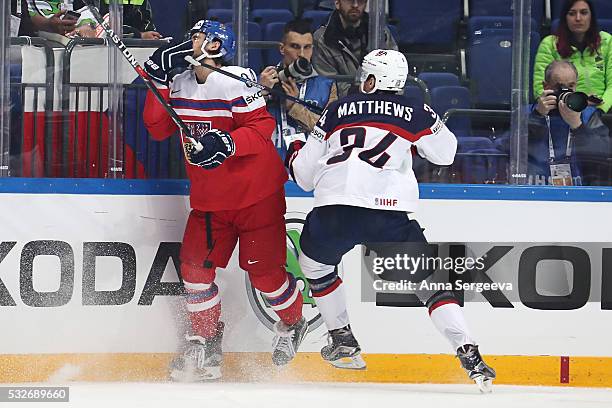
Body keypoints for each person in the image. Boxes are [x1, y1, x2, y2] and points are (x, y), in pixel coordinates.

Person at [285, 49, 496, 392]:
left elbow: (305, 177)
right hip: (388, 213)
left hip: (335, 209)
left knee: (315, 265)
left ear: (370, 79)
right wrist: (428, 124)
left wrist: (294, 148)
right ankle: (468, 352)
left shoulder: (336, 110)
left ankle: (342, 338)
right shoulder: (415, 110)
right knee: (431, 284)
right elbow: (445, 154)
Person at [142, 20, 307, 381]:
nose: (190, 41)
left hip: (256, 196)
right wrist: (156, 79)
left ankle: (293, 322)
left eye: (198, 37)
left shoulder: (235, 79)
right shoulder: (180, 83)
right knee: (195, 270)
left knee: (265, 276)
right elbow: (156, 128)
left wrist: (227, 143)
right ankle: (206, 336)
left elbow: (262, 129)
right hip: (209, 199)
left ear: (215, 46)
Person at [259, 19, 337, 150]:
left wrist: (295, 107)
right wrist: (261, 95)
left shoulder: (327, 86)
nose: (301, 54)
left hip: (309, 165)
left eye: (307, 47)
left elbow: (330, 132)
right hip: (269, 163)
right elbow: (244, 123)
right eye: (295, 46)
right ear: (282, 48)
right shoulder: (262, 81)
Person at [529, 60, 611, 186]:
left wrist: (578, 126)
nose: (565, 91)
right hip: (535, 189)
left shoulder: (587, 114)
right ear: (546, 86)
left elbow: (605, 154)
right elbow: (509, 147)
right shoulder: (529, 112)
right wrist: (537, 116)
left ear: (576, 86)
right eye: (559, 87)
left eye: (571, 86)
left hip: (579, 191)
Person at [533, 0, 612, 113]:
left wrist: (599, 111)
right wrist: (577, 102)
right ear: (565, 18)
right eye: (572, 13)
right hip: (564, 111)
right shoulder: (550, 44)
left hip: (603, 111)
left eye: (584, 12)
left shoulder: (607, 41)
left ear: (591, 17)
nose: (578, 18)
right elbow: (541, 89)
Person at [312, 0, 398, 97]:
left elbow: (395, 72)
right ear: (337, 2)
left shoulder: (381, 33)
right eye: (350, 0)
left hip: (381, 101)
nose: (355, 5)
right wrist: (361, 90)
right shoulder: (322, 40)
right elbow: (326, 85)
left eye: (361, 1)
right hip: (342, 105)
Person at [28, 0, 97, 37]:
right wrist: (46, 25)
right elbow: (23, 20)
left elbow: (88, 10)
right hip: (32, 49)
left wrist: (86, 25)